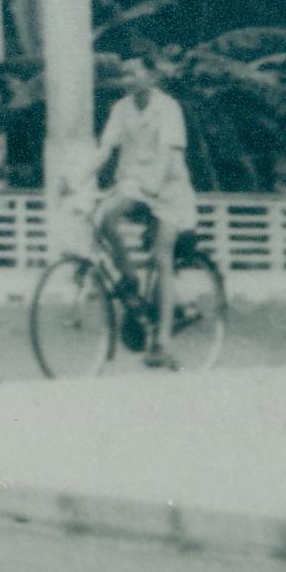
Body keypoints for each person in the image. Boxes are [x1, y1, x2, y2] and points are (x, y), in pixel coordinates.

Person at [93, 50, 197, 367]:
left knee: (162, 257)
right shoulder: (121, 109)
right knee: (104, 217)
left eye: (134, 73)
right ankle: (129, 278)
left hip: (168, 189)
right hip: (136, 184)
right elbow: (104, 150)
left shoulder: (168, 108)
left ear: (151, 77)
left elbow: (166, 156)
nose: (127, 79)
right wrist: (75, 178)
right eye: (124, 74)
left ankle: (163, 343)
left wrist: (149, 188)